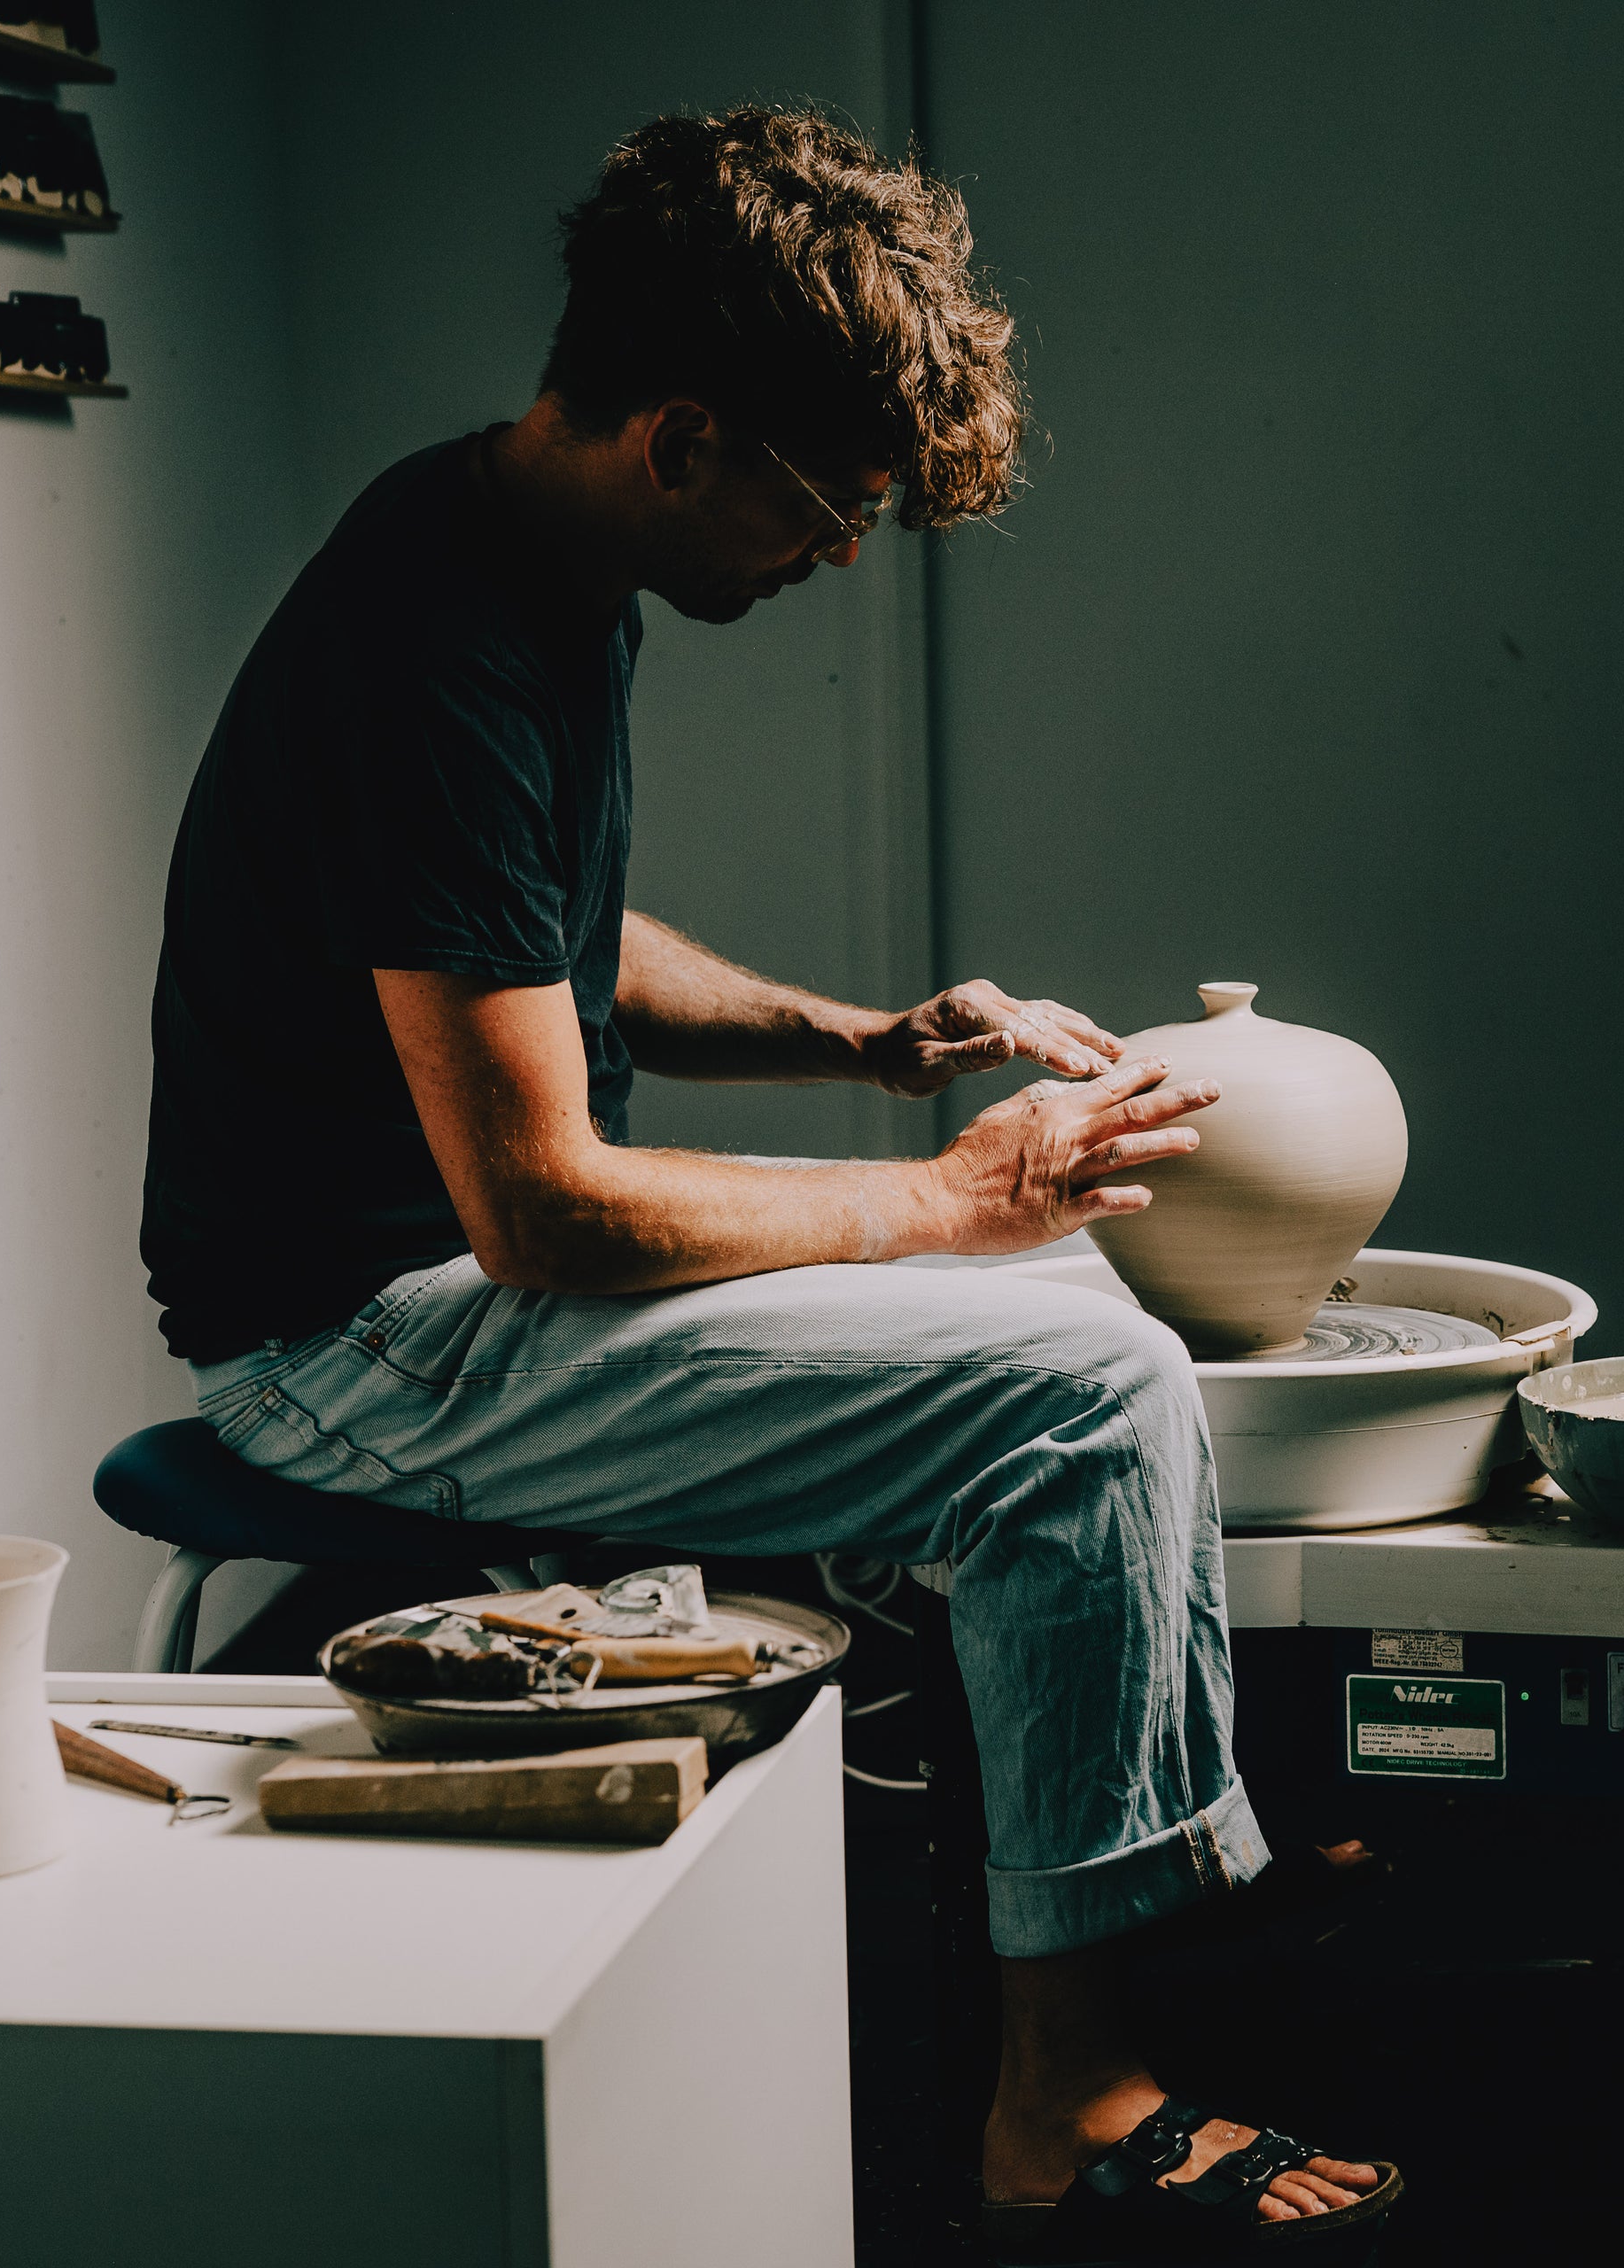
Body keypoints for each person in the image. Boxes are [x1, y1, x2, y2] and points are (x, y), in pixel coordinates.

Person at [138, 107, 1395, 2252]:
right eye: (837, 505)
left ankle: (1137, 1879)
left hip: (460, 1257)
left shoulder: (539, 556)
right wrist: (941, 1195)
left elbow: (524, 928)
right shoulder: (427, 635)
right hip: (355, 1333)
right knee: (1072, 1393)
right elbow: (543, 1204)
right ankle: (1062, 2099)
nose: (839, 551)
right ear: (684, 432)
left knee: (1086, 1309)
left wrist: (859, 1041)